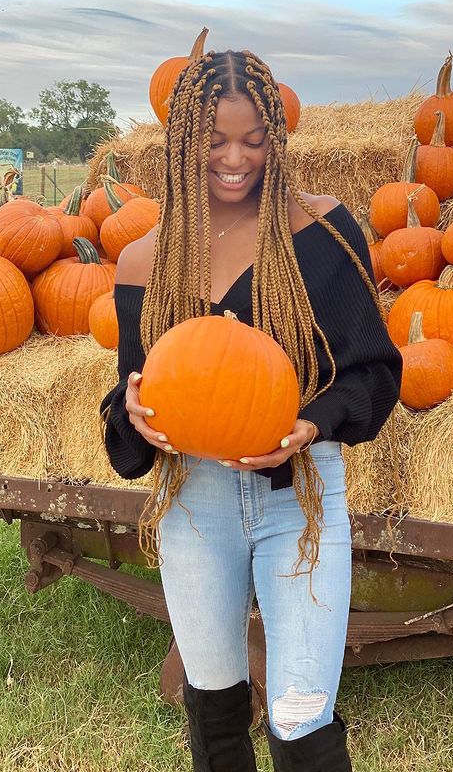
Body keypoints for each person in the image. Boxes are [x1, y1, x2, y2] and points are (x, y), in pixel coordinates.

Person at [101, 48, 402, 772]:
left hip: (297, 497)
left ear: (277, 138)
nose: (236, 159)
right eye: (213, 141)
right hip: (193, 504)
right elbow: (131, 388)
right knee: (214, 703)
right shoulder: (147, 259)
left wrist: (314, 423)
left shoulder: (323, 234)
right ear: (181, 145)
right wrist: (132, 414)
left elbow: (374, 370)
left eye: (254, 140)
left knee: (300, 718)